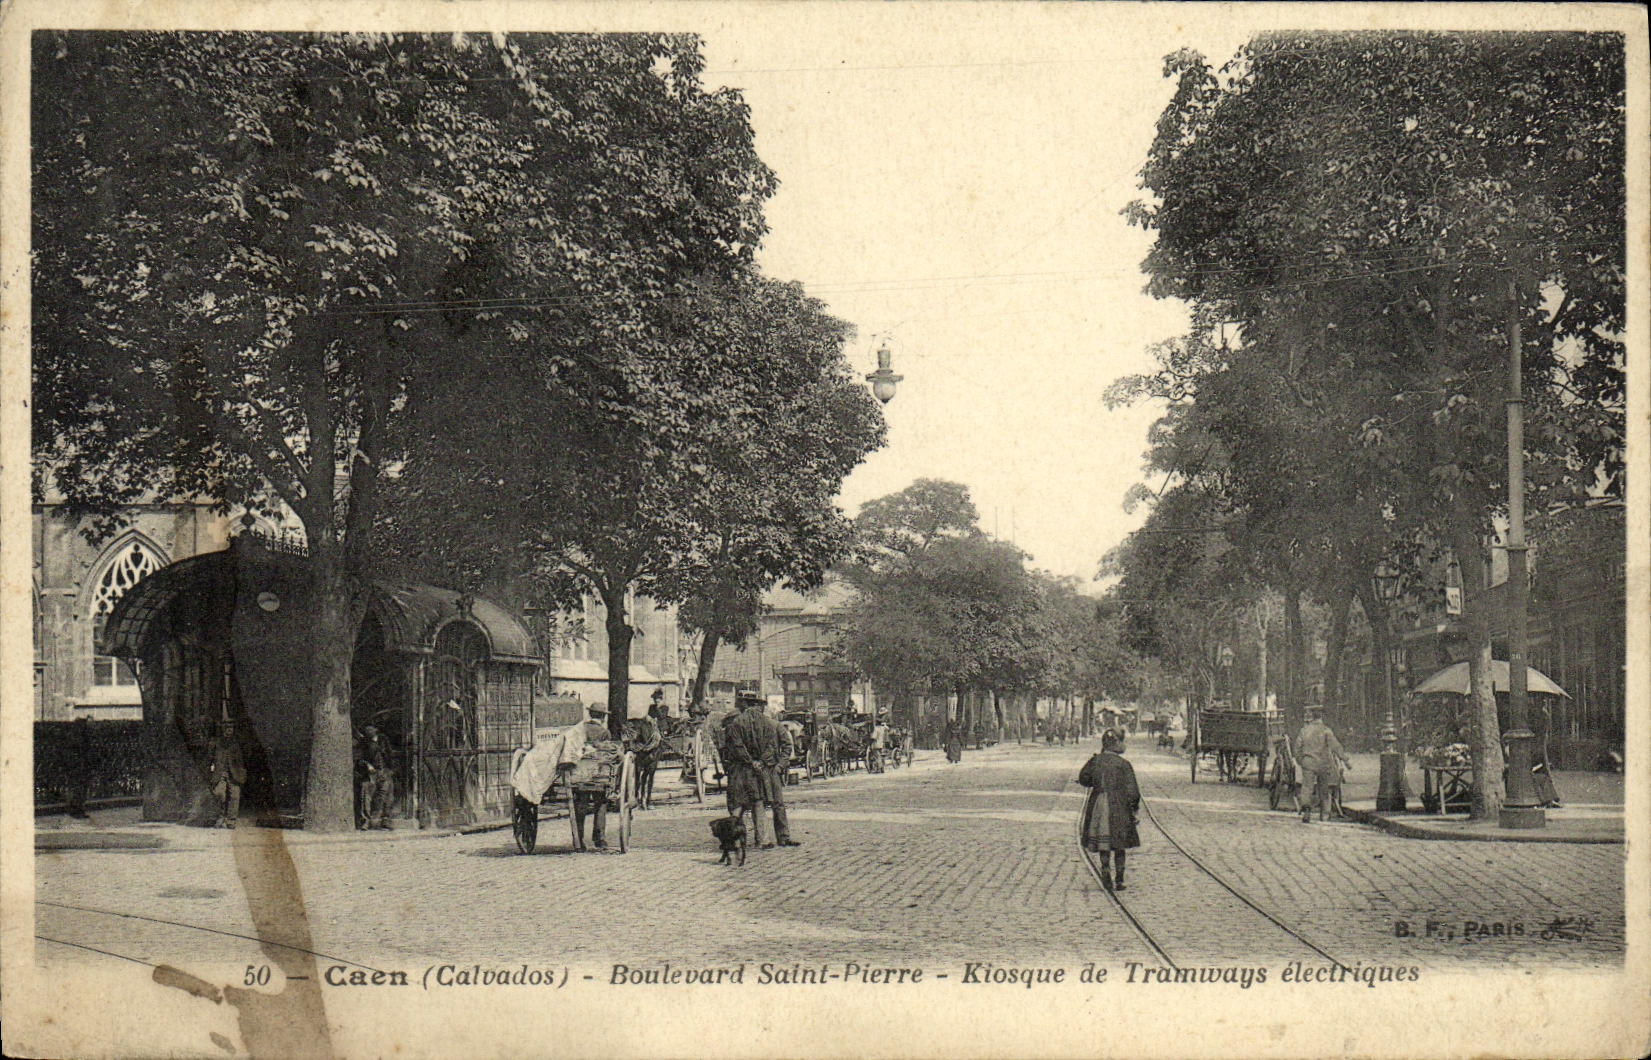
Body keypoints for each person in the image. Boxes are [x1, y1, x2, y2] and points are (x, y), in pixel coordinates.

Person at [723, 691, 799, 848]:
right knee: (759, 802)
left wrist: (777, 765)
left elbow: (735, 747)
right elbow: (771, 746)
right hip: (761, 768)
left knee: (760, 803)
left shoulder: (765, 724)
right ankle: (763, 839)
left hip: (761, 770)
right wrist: (759, 762)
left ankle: (778, 837)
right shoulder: (765, 723)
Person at [1078, 730, 1141, 891]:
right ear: (1117, 744)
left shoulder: (1095, 761)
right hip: (1119, 805)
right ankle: (1119, 879)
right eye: (1123, 742)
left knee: (1103, 842)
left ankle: (1105, 869)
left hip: (1099, 805)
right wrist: (1134, 809)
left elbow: (1084, 778)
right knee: (1119, 843)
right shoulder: (1124, 764)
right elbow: (1132, 791)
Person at [568, 703, 617, 850]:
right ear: (602, 717)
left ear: (591, 715)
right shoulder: (604, 732)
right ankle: (599, 838)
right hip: (598, 774)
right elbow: (607, 754)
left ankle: (579, 839)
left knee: (580, 804)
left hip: (578, 773)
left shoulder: (580, 729)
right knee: (600, 803)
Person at [1295, 706, 1350, 824]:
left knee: (1307, 787)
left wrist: (1302, 761)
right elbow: (1336, 747)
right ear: (1322, 716)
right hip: (1323, 763)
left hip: (1308, 762)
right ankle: (1325, 814)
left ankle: (1306, 811)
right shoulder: (1326, 730)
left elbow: (1297, 748)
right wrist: (1346, 760)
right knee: (1324, 789)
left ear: (1311, 716)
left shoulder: (1304, 730)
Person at [624, 693, 664, 810]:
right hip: (643, 749)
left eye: (658, 698)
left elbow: (661, 720)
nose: (656, 700)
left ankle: (647, 800)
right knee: (638, 777)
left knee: (649, 776)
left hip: (654, 747)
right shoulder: (644, 721)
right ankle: (636, 799)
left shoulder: (663, 709)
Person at [208, 718, 247, 829]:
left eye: (230, 728)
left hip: (234, 773)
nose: (228, 730)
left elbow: (243, 757)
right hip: (220, 772)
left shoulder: (237, 742)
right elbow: (209, 757)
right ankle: (221, 817)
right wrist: (212, 769)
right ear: (222, 729)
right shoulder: (216, 742)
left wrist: (242, 771)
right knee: (219, 794)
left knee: (235, 796)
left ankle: (231, 820)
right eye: (226, 728)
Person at [356, 724, 394, 829]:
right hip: (370, 774)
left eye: (371, 729)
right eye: (367, 729)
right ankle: (366, 821)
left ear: (376, 730)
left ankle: (385, 820)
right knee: (367, 797)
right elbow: (358, 759)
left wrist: (389, 769)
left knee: (385, 796)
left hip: (383, 772)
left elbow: (389, 755)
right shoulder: (363, 743)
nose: (369, 731)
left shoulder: (383, 740)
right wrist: (367, 765)